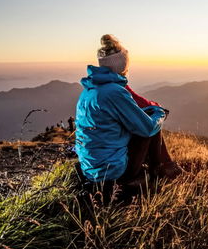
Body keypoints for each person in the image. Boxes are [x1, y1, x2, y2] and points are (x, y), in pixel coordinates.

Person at [75, 34, 183, 185]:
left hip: (91, 167)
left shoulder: (89, 91)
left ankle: (163, 168)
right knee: (152, 123)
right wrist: (159, 112)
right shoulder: (114, 92)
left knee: (146, 119)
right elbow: (147, 128)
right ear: (123, 65)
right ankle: (159, 173)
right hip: (111, 171)